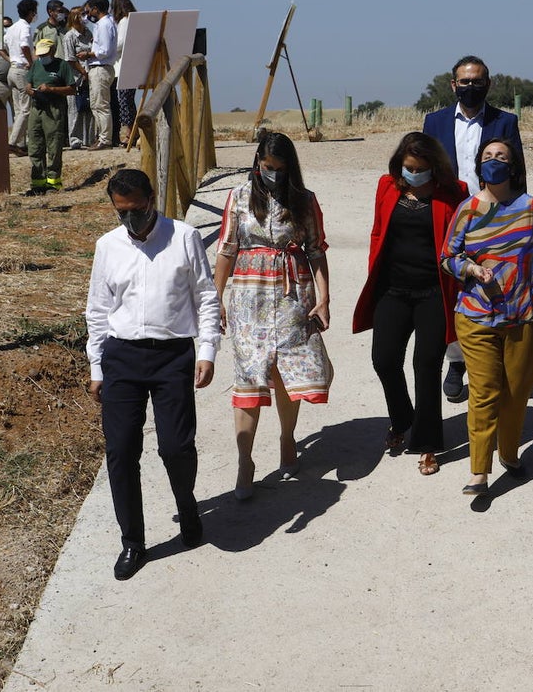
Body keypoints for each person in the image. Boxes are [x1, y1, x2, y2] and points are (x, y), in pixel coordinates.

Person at [85, 168, 220, 581]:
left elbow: (207, 296)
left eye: (136, 210)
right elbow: (98, 310)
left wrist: (208, 350)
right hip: (122, 358)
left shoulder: (184, 238)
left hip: (172, 356)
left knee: (176, 447)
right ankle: (133, 542)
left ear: (151, 199)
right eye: (120, 212)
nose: (129, 220)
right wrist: (96, 365)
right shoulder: (107, 247)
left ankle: (187, 504)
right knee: (122, 451)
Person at [213, 131, 332, 500]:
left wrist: (324, 297)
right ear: (257, 162)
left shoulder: (305, 201)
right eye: (267, 167)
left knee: (287, 373)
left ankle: (287, 437)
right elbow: (226, 249)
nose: (273, 174)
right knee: (249, 376)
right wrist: (215, 297)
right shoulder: (238, 197)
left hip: (293, 293)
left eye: (280, 169)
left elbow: (316, 250)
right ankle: (245, 461)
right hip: (249, 297)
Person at [440, 137, 533, 496]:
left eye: (500, 156)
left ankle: (509, 452)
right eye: (488, 156)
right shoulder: (468, 209)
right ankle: (479, 470)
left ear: (513, 165)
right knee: (485, 392)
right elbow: (447, 256)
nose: (494, 161)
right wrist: (473, 270)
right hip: (476, 314)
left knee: (517, 392)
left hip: (524, 314)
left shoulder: (530, 207)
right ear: (480, 165)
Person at [352, 132, 465, 476]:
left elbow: (463, 239)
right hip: (393, 290)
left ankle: (428, 443)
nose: (413, 173)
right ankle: (402, 418)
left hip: (433, 291)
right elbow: (377, 232)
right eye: (408, 167)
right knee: (384, 360)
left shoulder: (455, 192)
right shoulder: (388, 186)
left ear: (434, 167)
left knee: (426, 366)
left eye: (420, 168)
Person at [423, 55, 525, 405]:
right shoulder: (434, 121)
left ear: (488, 83)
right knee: (449, 287)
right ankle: (456, 361)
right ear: (453, 85)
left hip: (491, 215)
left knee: (489, 283)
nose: (470, 87)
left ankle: (489, 354)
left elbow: (518, 170)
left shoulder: (504, 121)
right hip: (449, 213)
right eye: (464, 82)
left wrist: (516, 217)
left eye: (477, 81)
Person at [24, 38, 76, 193]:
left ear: (52, 51)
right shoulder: (36, 65)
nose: (42, 57)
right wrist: (30, 90)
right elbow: (27, 84)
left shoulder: (62, 66)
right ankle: (38, 184)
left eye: (45, 54)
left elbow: (72, 89)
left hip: (54, 109)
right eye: (40, 55)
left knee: (54, 146)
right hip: (36, 108)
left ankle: (53, 183)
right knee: (35, 145)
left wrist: (52, 90)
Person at [76, 0, 116, 151]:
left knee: (101, 105)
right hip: (98, 68)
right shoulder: (104, 23)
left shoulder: (105, 24)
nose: (87, 13)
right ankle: (101, 137)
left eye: (88, 9)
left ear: (95, 9)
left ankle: (105, 139)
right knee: (96, 105)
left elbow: (104, 50)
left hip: (101, 67)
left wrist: (88, 54)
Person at [5, 0, 37, 156]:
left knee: (18, 110)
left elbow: (4, 45)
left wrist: (12, 58)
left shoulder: (12, 28)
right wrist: (31, 63)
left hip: (12, 69)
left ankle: (19, 143)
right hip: (22, 71)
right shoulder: (25, 27)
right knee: (25, 110)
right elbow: (25, 45)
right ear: (31, 12)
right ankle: (12, 142)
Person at [61, 4, 94, 150]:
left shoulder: (88, 33)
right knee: (74, 108)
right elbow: (70, 59)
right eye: (82, 14)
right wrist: (83, 72)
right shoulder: (70, 36)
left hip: (90, 75)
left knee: (89, 107)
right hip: (76, 77)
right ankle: (75, 139)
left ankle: (89, 138)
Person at [110, 0, 137, 145]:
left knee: (125, 102)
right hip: (128, 65)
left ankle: (129, 133)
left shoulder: (125, 21)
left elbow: (120, 43)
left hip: (124, 67)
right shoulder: (130, 20)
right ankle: (132, 132)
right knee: (127, 101)